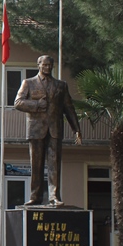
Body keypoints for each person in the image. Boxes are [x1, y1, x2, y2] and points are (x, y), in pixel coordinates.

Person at [14, 55, 82, 206]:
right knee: (36, 164)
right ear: (38, 65)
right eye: (44, 65)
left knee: (54, 164)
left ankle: (54, 196)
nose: (47, 67)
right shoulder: (29, 83)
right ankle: (35, 196)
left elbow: (69, 108)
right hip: (36, 129)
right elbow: (18, 103)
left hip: (55, 129)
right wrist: (36, 105)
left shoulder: (61, 85)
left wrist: (76, 129)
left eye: (50, 65)